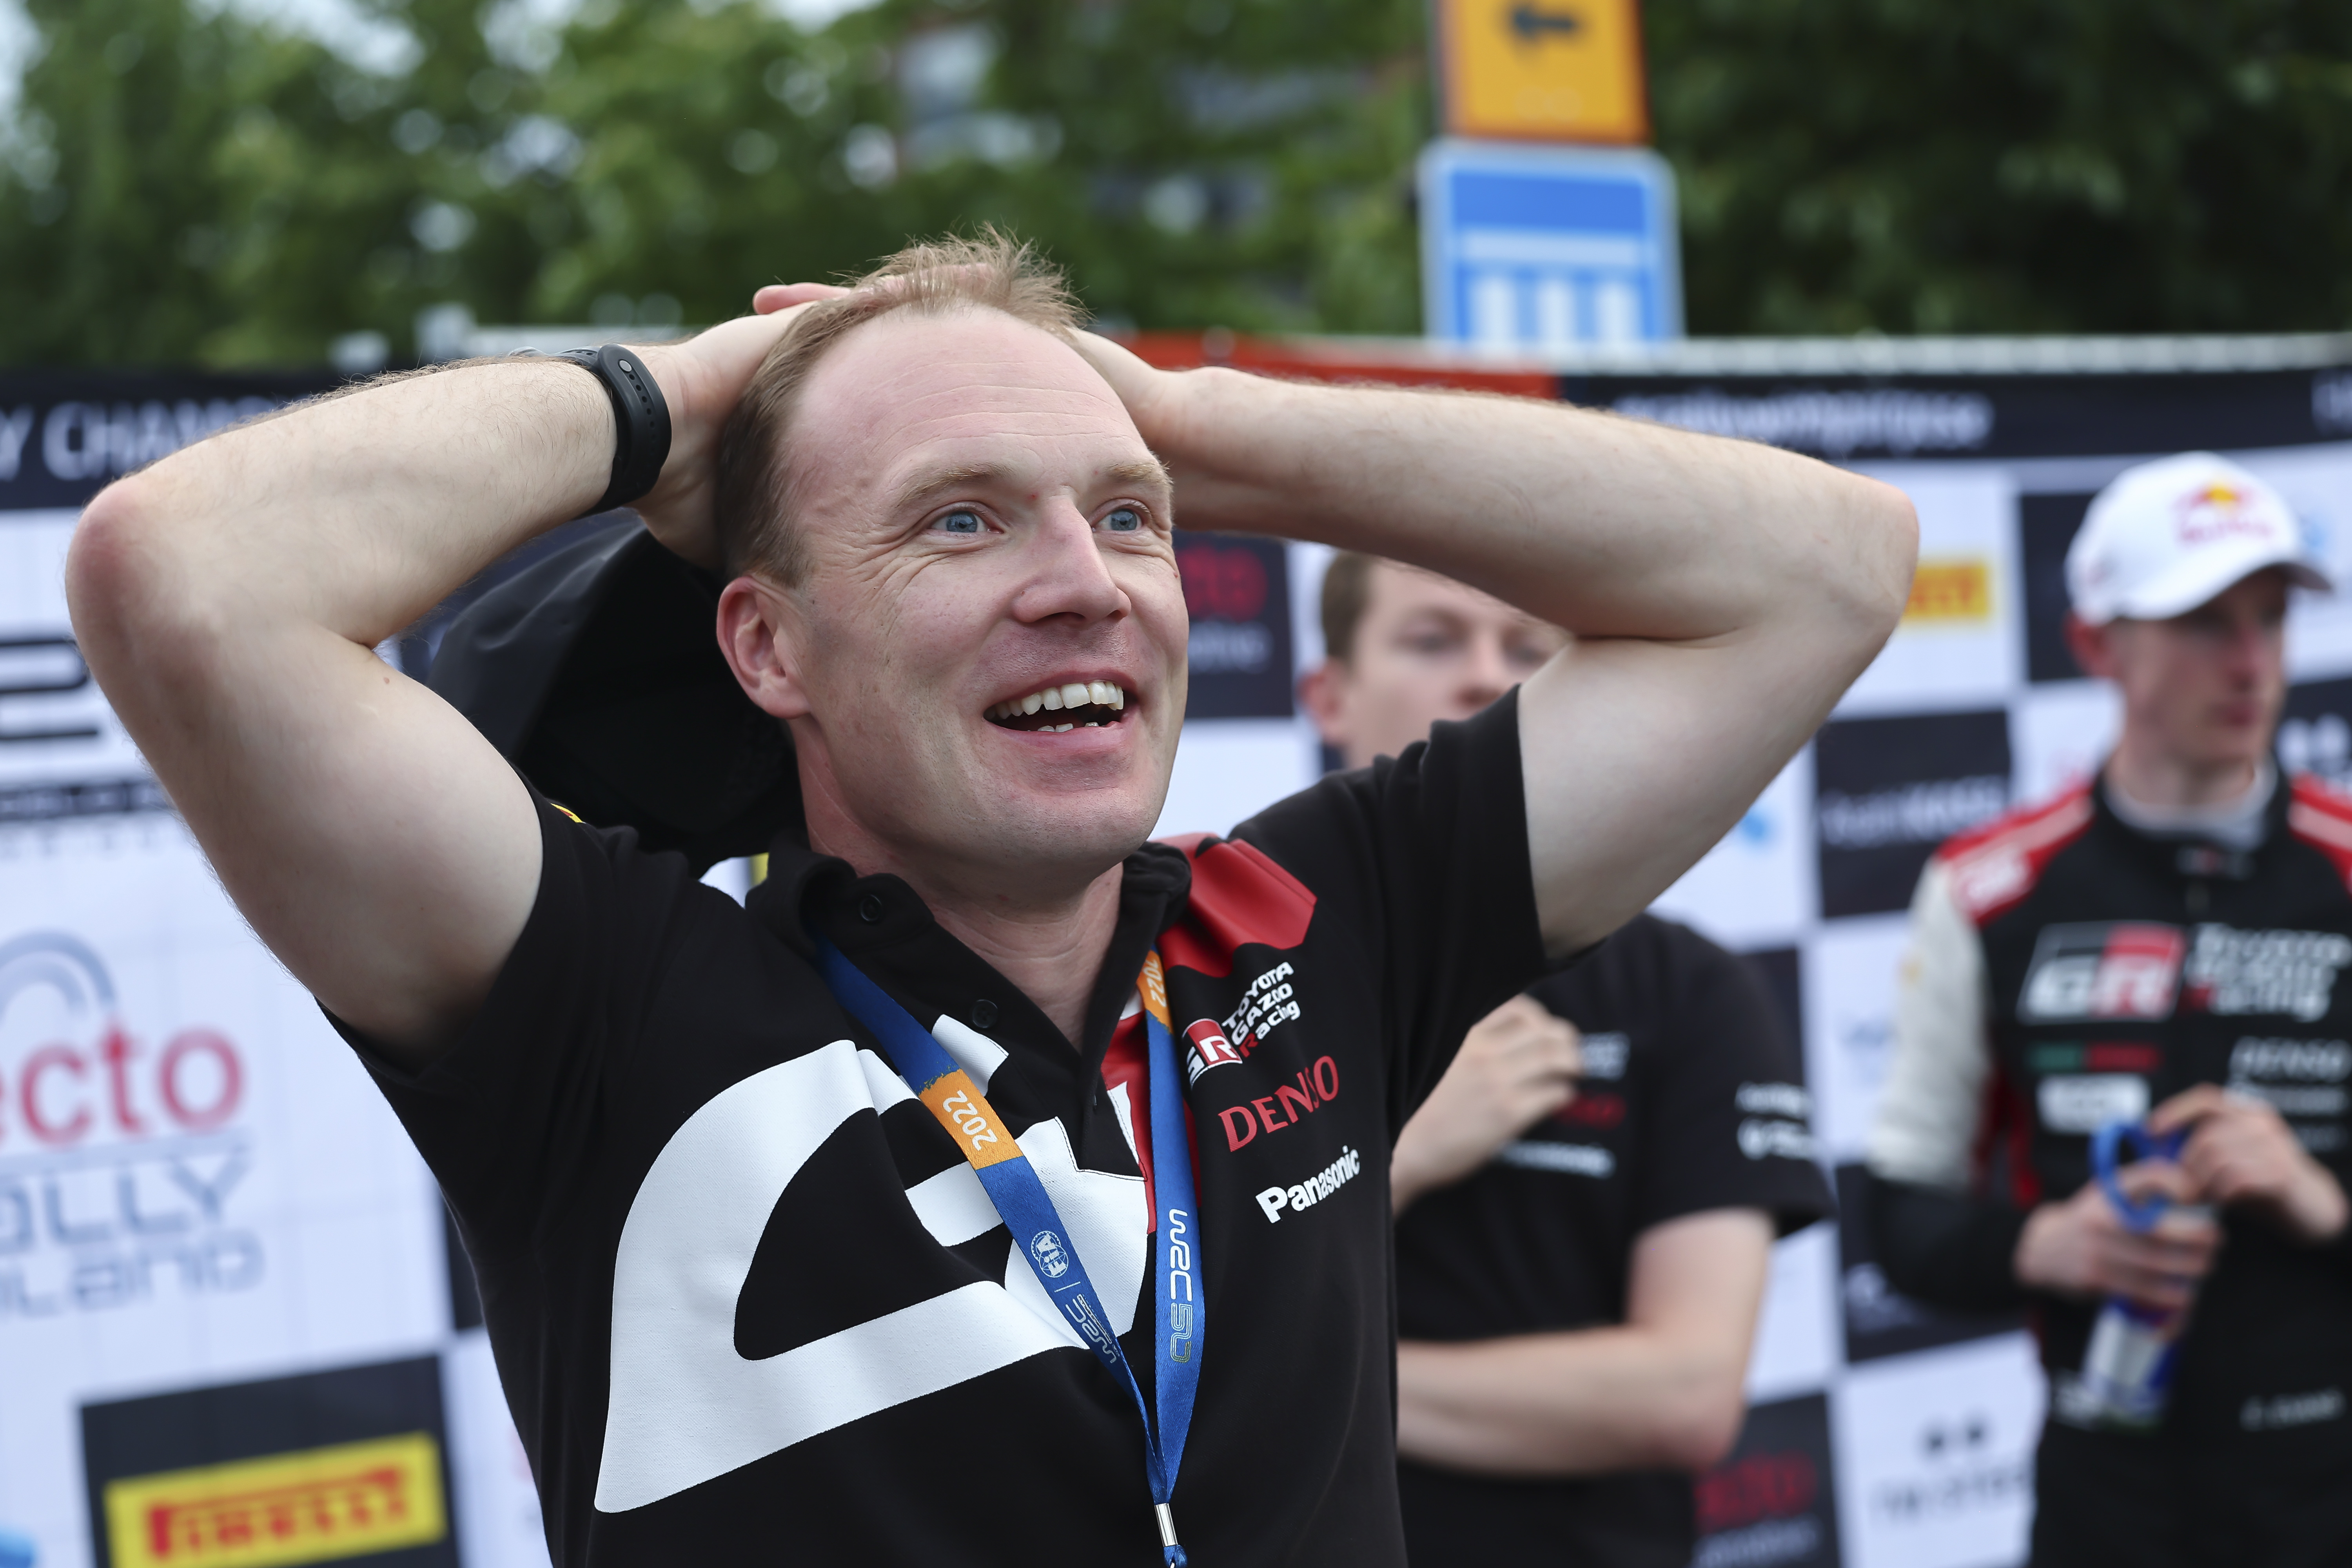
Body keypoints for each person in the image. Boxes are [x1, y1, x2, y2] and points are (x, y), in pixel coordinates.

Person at [67, 234, 1914, 1567]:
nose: (1083, 583)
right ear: (768, 645)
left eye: (1127, 519)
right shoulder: (601, 999)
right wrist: (692, 399)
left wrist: (1186, 418)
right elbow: (183, 576)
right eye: (959, 519)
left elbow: (1826, 569)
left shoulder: (1306, 930)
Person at [1866, 452, 2352, 1567]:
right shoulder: (1990, 891)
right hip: (2107, 1503)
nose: (2251, 662)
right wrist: (2049, 1244)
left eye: (2271, 618)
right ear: (2096, 645)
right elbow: (1900, 1210)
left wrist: (2322, 1201)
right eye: (2205, 622)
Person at [1301, 553, 1834, 1568]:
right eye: (1432, 640)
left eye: (1528, 648)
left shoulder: (1689, 988)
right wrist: (1396, 1155)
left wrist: (1302, 1393)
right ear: (1329, 695)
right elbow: (1144, 1321)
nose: (1484, 674)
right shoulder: (1218, 981)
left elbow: (1686, 1394)